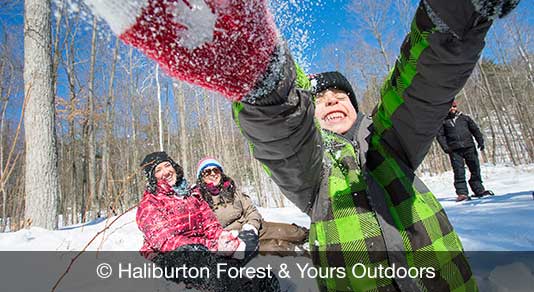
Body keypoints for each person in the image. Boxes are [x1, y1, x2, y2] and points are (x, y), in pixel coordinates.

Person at [231, 2, 519, 291]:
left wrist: (457, 11)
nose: (332, 100)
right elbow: (283, 136)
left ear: (356, 108)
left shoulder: (389, 141)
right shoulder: (313, 174)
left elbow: (421, 84)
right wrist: (263, 82)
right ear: (309, 116)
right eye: (320, 98)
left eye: (341, 95)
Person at [136, 151, 280, 292]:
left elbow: (210, 225)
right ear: (152, 177)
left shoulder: (192, 195)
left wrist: (222, 239)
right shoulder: (150, 203)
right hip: (170, 255)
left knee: (227, 262)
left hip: (202, 250)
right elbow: (167, 241)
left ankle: (255, 284)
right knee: (200, 262)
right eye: (158, 170)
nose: (166, 172)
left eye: (167, 165)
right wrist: (210, 246)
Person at [193, 157, 309, 255]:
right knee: (277, 247)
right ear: (201, 177)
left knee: (294, 232)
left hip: (253, 227)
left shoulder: (231, 190)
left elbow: (251, 209)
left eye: (215, 170)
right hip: (235, 240)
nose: (213, 174)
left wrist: (251, 227)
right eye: (207, 172)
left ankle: (316, 238)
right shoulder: (198, 200)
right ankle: (306, 256)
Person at [437, 101, 494, 202]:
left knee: (475, 168)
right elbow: (440, 136)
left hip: (469, 147)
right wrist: (445, 147)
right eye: (450, 107)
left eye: (454, 106)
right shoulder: (443, 121)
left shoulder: (464, 118)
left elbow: (475, 129)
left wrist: (480, 141)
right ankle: (462, 193)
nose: (452, 109)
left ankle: (479, 190)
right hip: (454, 150)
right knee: (459, 171)